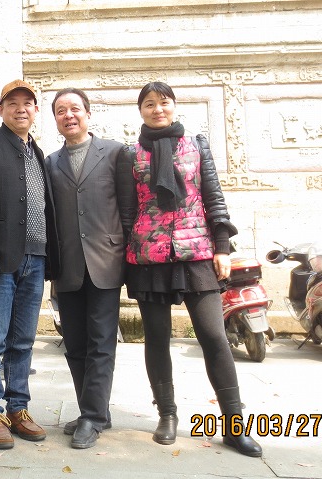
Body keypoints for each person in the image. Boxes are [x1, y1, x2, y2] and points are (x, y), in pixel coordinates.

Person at [119, 81, 262, 457]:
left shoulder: (196, 144)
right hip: (149, 255)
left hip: (197, 251)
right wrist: (126, 255)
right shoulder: (131, 153)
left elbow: (214, 197)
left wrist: (222, 247)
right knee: (156, 338)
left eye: (163, 102)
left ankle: (234, 425)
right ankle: (167, 415)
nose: (157, 109)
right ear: (140, 110)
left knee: (214, 336)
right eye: (149, 104)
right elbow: (127, 209)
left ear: (174, 105)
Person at [0, 79, 59, 450]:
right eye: (13, 103)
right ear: (0, 110)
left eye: (27, 103)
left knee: (23, 340)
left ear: (35, 111)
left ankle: (18, 408)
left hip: (36, 257)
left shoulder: (37, 151)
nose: (21, 109)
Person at [45, 88, 127, 449]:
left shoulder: (115, 153)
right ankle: (93, 411)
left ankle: (92, 417)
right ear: (55, 119)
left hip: (106, 260)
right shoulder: (51, 162)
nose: (69, 115)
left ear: (88, 114)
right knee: (75, 343)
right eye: (61, 111)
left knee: (101, 342)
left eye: (75, 109)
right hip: (68, 266)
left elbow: (127, 207)